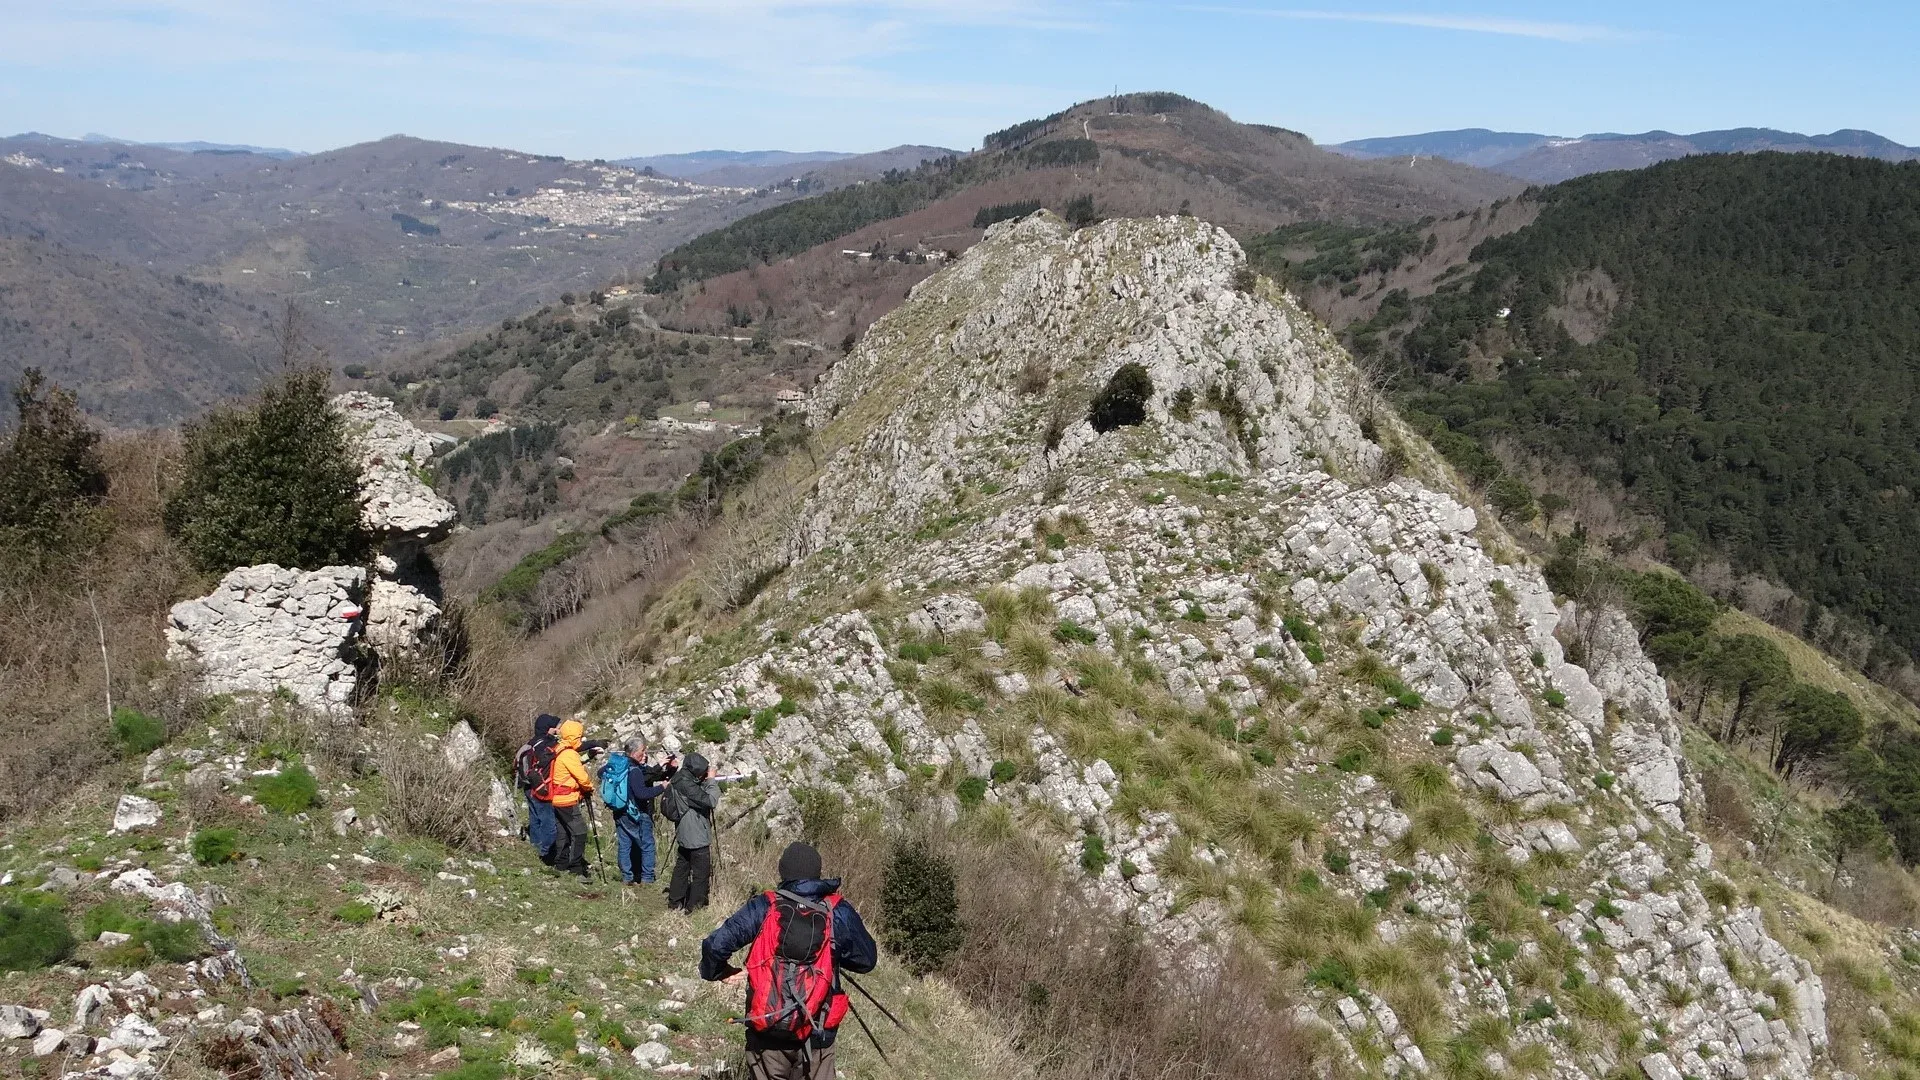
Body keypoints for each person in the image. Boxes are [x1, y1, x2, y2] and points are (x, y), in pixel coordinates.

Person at [700, 842, 878, 1080]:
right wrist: (832, 951)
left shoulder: (765, 905)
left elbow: (716, 944)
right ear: (817, 872)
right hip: (818, 1033)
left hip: (768, 1028)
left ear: (783, 871)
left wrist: (719, 971)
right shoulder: (837, 910)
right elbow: (867, 960)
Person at [601, 737, 676, 886]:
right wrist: (662, 787)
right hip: (636, 813)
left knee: (624, 845)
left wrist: (669, 768)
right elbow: (642, 793)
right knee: (647, 845)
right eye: (643, 750)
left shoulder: (619, 766)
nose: (645, 753)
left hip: (620, 811)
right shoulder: (635, 771)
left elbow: (600, 773)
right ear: (635, 753)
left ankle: (627, 877)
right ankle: (647, 878)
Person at [664, 752, 719, 912]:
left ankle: (674, 902)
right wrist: (711, 780)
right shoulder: (688, 785)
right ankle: (694, 907)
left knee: (682, 868)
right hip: (696, 835)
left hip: (683, 832)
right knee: (701, 874)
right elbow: (710, 800)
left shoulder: (680, 778)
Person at [546, 719, 597, 878]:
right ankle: (575, 867)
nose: (581, 740)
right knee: (579, 832)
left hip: (556, 799)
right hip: (566, 799)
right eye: (579, 737)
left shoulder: (559, 748)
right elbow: (582, 778)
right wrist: (590, 788)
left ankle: (561, 864)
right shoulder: (569, 754)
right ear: (574, 737)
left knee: (563, 832)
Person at [513, 713, 562, 864]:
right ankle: (545, 854)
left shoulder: (531, 742)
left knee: (535, 819)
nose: (558, 731)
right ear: (548, 729)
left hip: (527, 786)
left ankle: (535, 848)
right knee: (548, 823)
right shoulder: (545, 744)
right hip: (540, 787)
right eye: (555, 728)